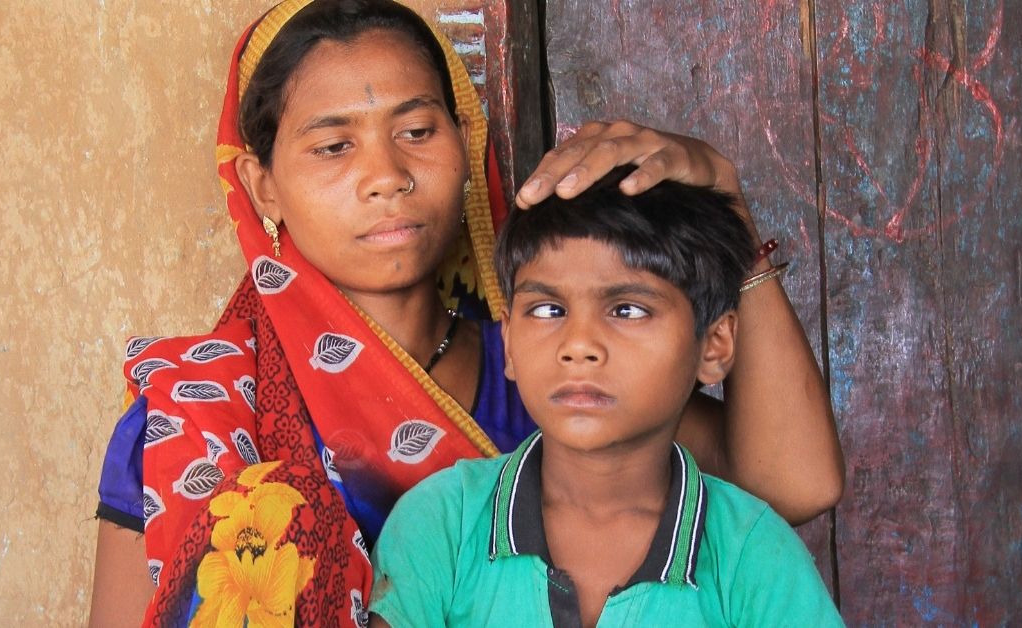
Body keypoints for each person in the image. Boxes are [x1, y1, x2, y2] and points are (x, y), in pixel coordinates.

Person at [88, 1, 843, 626]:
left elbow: (792, 484)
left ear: (465, 139)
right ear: (263, 186)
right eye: (332, 146)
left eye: (417, 132)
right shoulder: (198, 412)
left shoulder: (549, 362)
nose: (386, 176)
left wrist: (730, 215)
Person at [369, 169, 843, 627]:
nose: (578, 345)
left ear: (714, 344)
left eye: (627, 309)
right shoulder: (443, 524)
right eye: (548, 309)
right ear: (509, 343)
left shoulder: (751, 554)